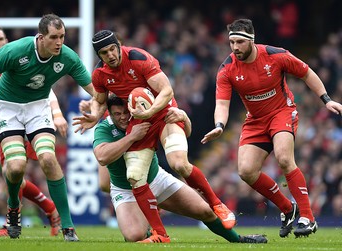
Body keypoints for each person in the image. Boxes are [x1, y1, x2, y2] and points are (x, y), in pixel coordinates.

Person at [0, 14, 95, 241]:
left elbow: (95, 89)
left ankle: (68, 227)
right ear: (40, 38)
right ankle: (13, 209)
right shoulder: (15, 51)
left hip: (37, 108)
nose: (59, 42)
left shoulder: (68, 57)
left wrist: (100, 109)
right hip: (8, 107)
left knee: (48, 158)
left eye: (62, 36)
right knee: (15, 168)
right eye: (54, 37)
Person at [73, 30, 235, 242]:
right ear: (99, 56)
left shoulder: (139, 58)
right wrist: (94, 115)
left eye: (113, 49)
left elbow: (167, 91)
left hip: (165, 115)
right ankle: (160, 233)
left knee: (178, 163)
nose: (111, 55)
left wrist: (151, 113)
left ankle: (216, 204)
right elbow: (100, 99)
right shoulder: (100, 75)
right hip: (139, 122)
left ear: (119, 44)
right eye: (105, 52)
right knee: (135, 175)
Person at [201, 18, 342, 238]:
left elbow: (306, 73)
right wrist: (220, 125)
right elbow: (221, 104)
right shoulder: (227, 69)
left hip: (281, 113)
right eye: (232, 43)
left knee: (285, 158)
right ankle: (287, 208)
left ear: (252, 40)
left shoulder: (276, 55)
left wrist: (326, 100)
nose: (235, 47)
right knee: (246, 171)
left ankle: (308, 217)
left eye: (239, 42)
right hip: (255, 120)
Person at [93, 94, 267, 244]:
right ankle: (148, 225)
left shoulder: (145, 115)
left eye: (126, 113)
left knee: (205, 211)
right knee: (134, 235)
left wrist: (184, 117)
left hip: (156, 179)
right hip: (125, 189)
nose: (123, 117)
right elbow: (102, 156)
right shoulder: (104, 128)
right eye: (117, 114)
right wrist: (132, 137)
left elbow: (186, 132)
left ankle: (238, 239)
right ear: (109, 113)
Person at [0, 26, 63, 237]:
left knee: (12, 172)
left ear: (7, 41)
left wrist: (57, 114)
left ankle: (13, 222)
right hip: (7, 129)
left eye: (1, 38)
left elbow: (45, 90)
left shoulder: (20, 63)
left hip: (29, 126)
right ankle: (49, 209)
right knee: (13, 175)